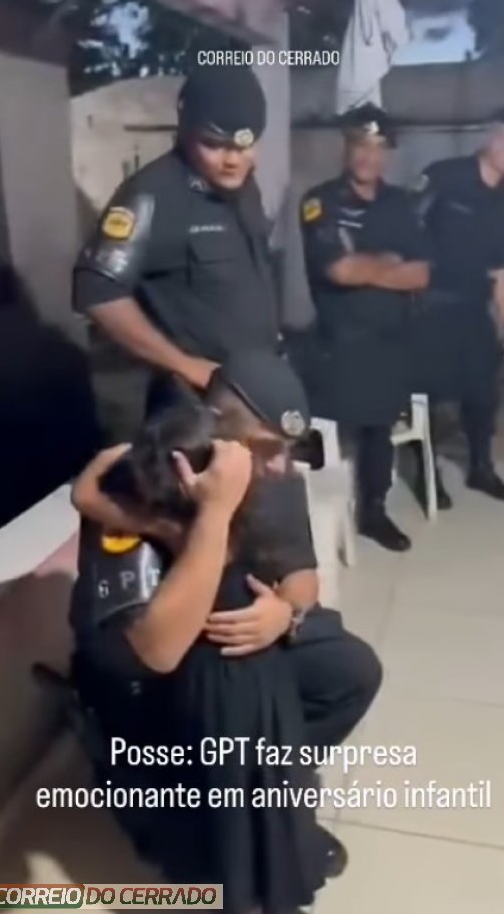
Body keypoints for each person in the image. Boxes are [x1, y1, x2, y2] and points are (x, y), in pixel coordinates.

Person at [70, 351, 383, 910]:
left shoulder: (273, 473)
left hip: (230, 641)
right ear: (213, 437)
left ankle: (268, 803)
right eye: (265, 449)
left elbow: (302, 578)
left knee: (349, 671)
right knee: (227, 691)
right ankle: (205, 821)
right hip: (150, 676)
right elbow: (155, 652)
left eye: (287, 449)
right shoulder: (144, 479)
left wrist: (283, 614)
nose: (281, 466)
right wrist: (205, 517)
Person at [72, 65, 283, 418]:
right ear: (185, 130)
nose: (232, 160)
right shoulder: (151, 195)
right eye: (213, 145)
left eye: (243, 146)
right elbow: (96, 293)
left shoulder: (245, 189)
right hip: (195, 406)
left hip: (256, 395)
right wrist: (186, 366)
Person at [297, 103, 430, 552]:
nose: (368, 156)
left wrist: (366, 266)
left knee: (378, 434)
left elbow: (421, 274)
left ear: (387, 153)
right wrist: (389, 261)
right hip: (339, 344)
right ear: (346, 147)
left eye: (377, 147)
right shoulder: (320, 201)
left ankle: (374, 511)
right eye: (360, 145)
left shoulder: (401, 204)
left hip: (390, 344)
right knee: (326, 439)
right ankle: (314, 521)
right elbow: (337, 270)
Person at [411, 105, 504, 506]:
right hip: (429, 308)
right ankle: (428, 473)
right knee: (433, 399)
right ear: (490, 133)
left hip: (472, 311)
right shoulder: (444, 176)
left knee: (483, 395)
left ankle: (482, 468)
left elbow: (501, 267)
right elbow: (404, 231)